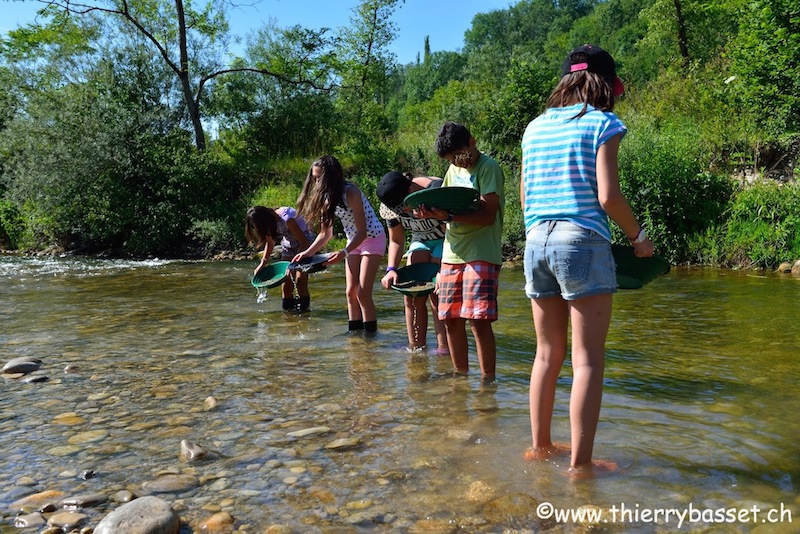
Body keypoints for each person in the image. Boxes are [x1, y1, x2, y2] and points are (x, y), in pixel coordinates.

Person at [520, 44, 655, 475]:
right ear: (604, 85)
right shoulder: (603, 123)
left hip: (535, 240)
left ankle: (539, 448)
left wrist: (540, 237)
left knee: (545, 355)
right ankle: (581, 467)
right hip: (581, 241)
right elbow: (608, 196)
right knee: (587, 360)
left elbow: (525, 198)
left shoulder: (534, 128)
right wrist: (639, 238)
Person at [417, 122, 504, 380]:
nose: (457, 161)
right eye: (451, 158)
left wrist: (450, 215)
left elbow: (487, 215)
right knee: (451, 319)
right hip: (452, 252)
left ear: (472, 142)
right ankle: (460, 378)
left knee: (478, 320)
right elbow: (447, 210)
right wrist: (432, 213)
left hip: (482, 251)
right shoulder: (452, 170)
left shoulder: (489, 168)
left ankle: (488, 382)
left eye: (459, 154)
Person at [293, 155, 386, 334]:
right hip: (353, 242)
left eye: (320, 177)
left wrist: (343, 252)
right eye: (314, 178)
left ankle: (370, 338)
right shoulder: (324, 198)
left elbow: (363, 231)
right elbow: (325, 234)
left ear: (333, 176)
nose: (317, 181)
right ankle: (355, 336)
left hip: (372, 238)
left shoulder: (351, 192)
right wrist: (307, 253)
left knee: (363, 294)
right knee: (350, 292)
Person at [376, 171, 448, 353]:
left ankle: (444, 349)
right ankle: (416, 348)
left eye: (405, 207)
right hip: (420, 241)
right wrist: (391, 269)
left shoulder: (436, 191)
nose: (405, 212)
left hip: (447, 240)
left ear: (411, 190)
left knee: (437, 296)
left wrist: (444, 269)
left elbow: (453, 232)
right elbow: (396, 240)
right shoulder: (391, 200)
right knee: (412, 295)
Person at [245, 205, 316, 312]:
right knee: (286, 283)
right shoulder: (269, 223)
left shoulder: (287, 219)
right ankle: (288, 316)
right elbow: (270, 242)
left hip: (306, 245)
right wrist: (262, 263)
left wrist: (292, 265)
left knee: (300, 280)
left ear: (265, 219)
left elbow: (304, 242)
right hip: (289, 246)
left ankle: (305, 314)